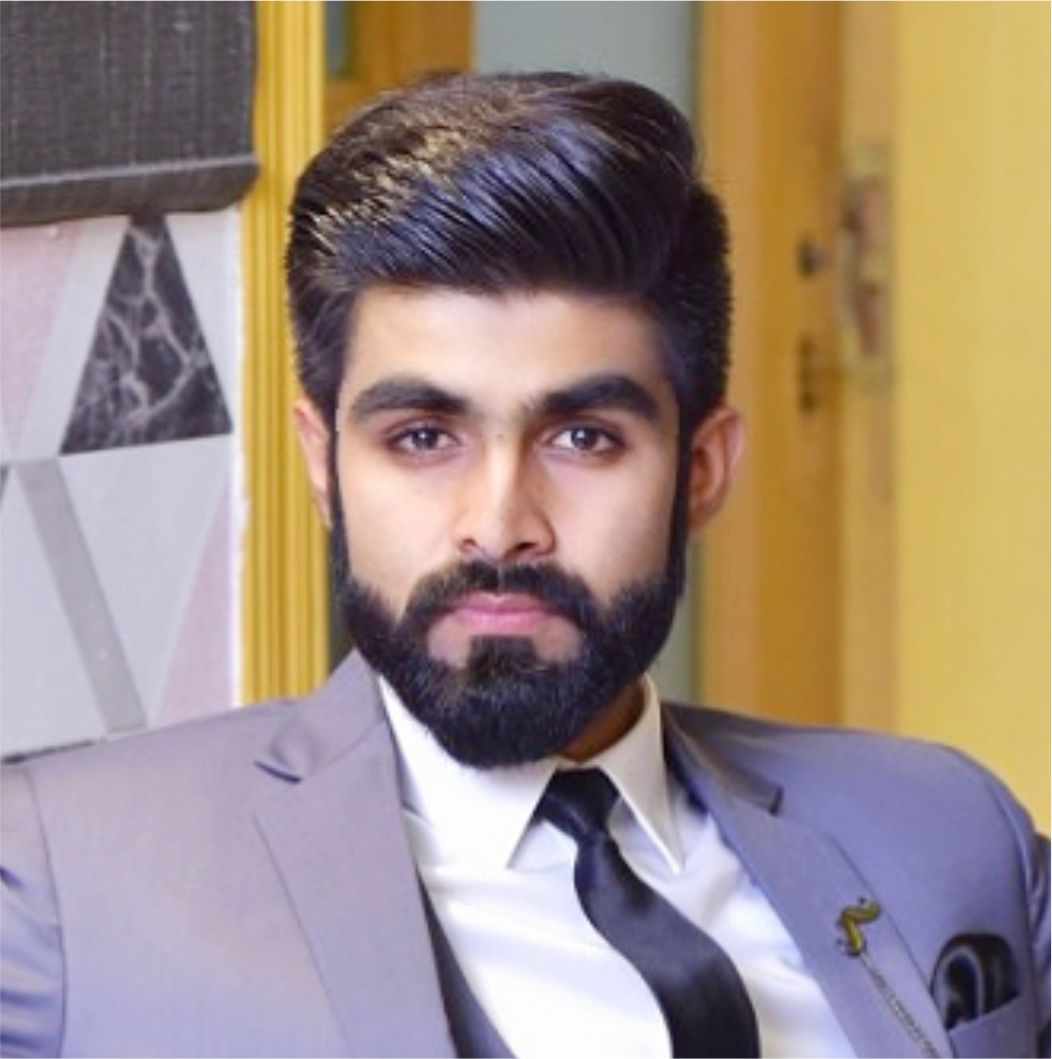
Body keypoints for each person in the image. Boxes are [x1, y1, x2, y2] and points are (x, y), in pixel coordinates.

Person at [1, 72, 1047, 1059]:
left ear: (700, 471)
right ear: (324, 465)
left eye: (582, 439)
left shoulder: (947, 834)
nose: (498, 527)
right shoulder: (67, 887)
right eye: (422, 437)